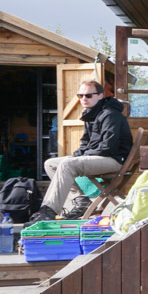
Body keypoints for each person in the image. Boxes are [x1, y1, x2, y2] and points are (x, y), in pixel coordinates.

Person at [29, 80, 133, 222]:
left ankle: (49, 211)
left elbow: (109, 147)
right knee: (51, 164)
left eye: (89, 95)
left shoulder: (110, 114)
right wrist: (77, 155)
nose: (84, 99)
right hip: (100, 156)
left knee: (68, 164)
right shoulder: (91, 113)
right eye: (81, 95)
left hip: (114, 159)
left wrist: (81, 157)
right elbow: (85, 143)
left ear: (100, 95)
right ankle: (82, 201)